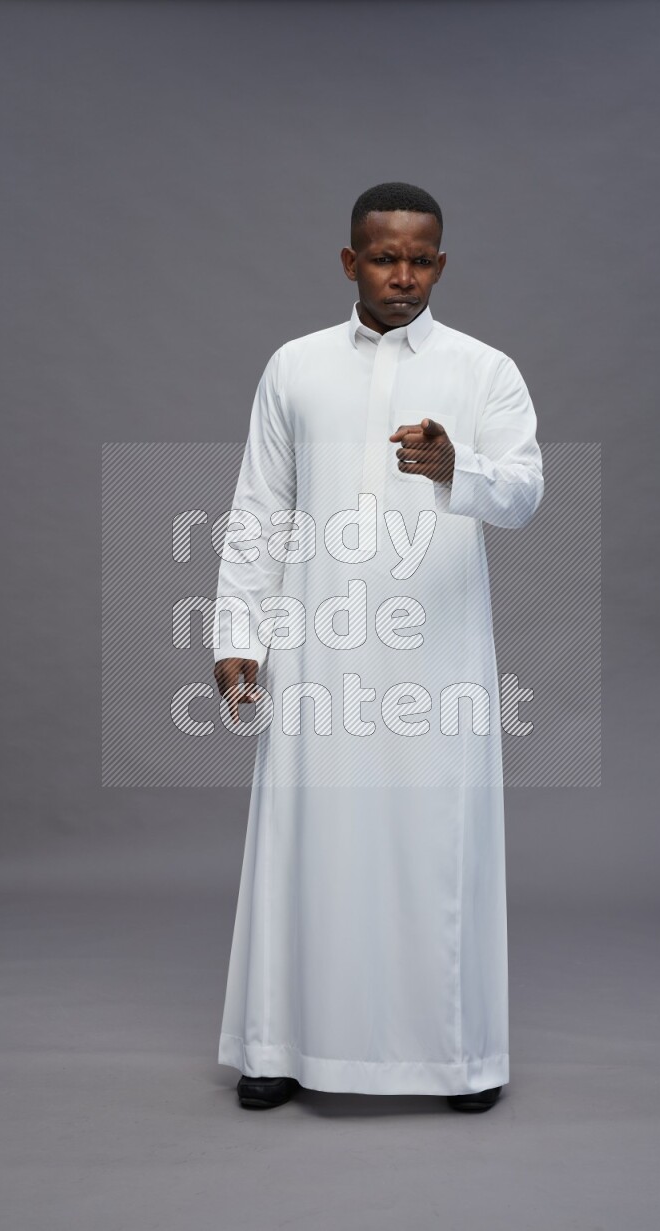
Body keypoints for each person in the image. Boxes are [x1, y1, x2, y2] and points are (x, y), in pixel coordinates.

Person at [212, 182, 544, 1112]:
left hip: (435, 656)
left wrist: (455, 468)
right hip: (317, 647)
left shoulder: (485, 371)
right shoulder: (295, 366)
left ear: (442, 261)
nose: (404, 274)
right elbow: (258, 509)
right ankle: (279, 1044)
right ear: (350, 261)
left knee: (436, 844)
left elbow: (523, 493)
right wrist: (238, 630)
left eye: (422, 256)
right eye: (385, 255)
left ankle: (458, 1057)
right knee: (304, 839)